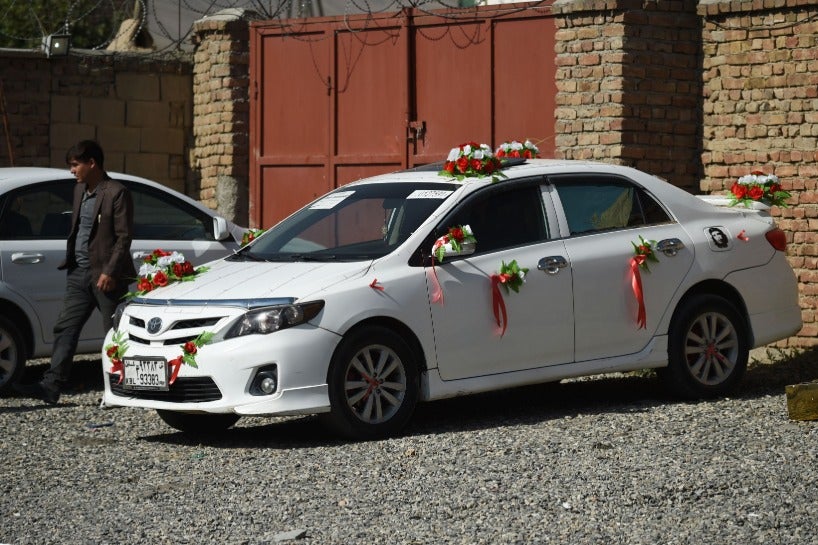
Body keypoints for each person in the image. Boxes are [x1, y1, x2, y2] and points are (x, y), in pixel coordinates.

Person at [14, 140, 135, 404]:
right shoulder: (79, 189)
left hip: (107, 277)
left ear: (92, 163)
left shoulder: (116, 192)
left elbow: (124, 237)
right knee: (65, 328)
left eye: (75, 165)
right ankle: (51, 386)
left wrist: (110, 271)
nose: (71, 170)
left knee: (114, 333)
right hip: (79, 273)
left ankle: (122, 389)